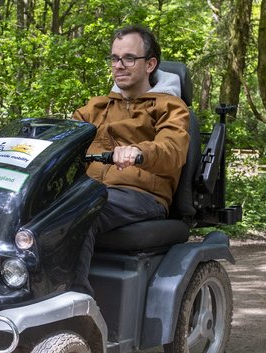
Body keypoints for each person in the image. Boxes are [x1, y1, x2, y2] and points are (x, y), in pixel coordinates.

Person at [69, 25, 190, 294]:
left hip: (141, 194)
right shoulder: (97, 107)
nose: (119, 66)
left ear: (150, 64)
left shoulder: (169, 106)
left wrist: (139, 152)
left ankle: (75, 307)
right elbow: (65, 137)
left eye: (129, 58)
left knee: (78, 210)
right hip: (94, 191)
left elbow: (172, 149)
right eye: (114, 58)